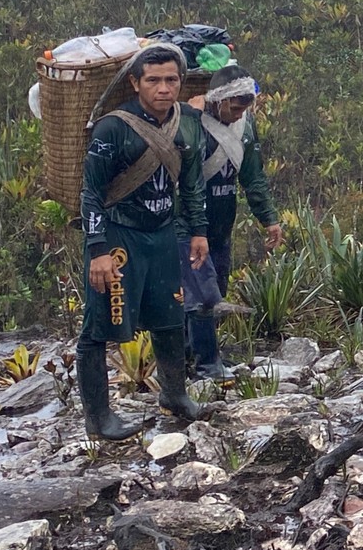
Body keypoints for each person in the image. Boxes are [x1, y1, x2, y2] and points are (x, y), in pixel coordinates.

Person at [77, 43, 210, 439]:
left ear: (181, 82)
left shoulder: (187, 122)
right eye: (153, 80)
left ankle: (174, 394)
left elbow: (191, 183)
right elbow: (91, 193)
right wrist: (97, 249)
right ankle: (98, 416)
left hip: (163, 234)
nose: (164, 88)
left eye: (171, 80)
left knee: (170, 318)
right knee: (100, 326)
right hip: (119, 235)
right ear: (136, 83)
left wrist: (198, 230)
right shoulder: (112, 128)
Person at [176, 63, 282, 378]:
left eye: (244, 108)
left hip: (221, 227)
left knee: (214, 290)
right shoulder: (191, 123)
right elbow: (189, 183)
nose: (238, 114)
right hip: (189, 228)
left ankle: (188, 356)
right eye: (234, 107)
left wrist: (269, 219)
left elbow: (253, 175)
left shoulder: (244, 129)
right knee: (202, 297)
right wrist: (197, 230)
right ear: (218, 100)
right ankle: (207, 365)